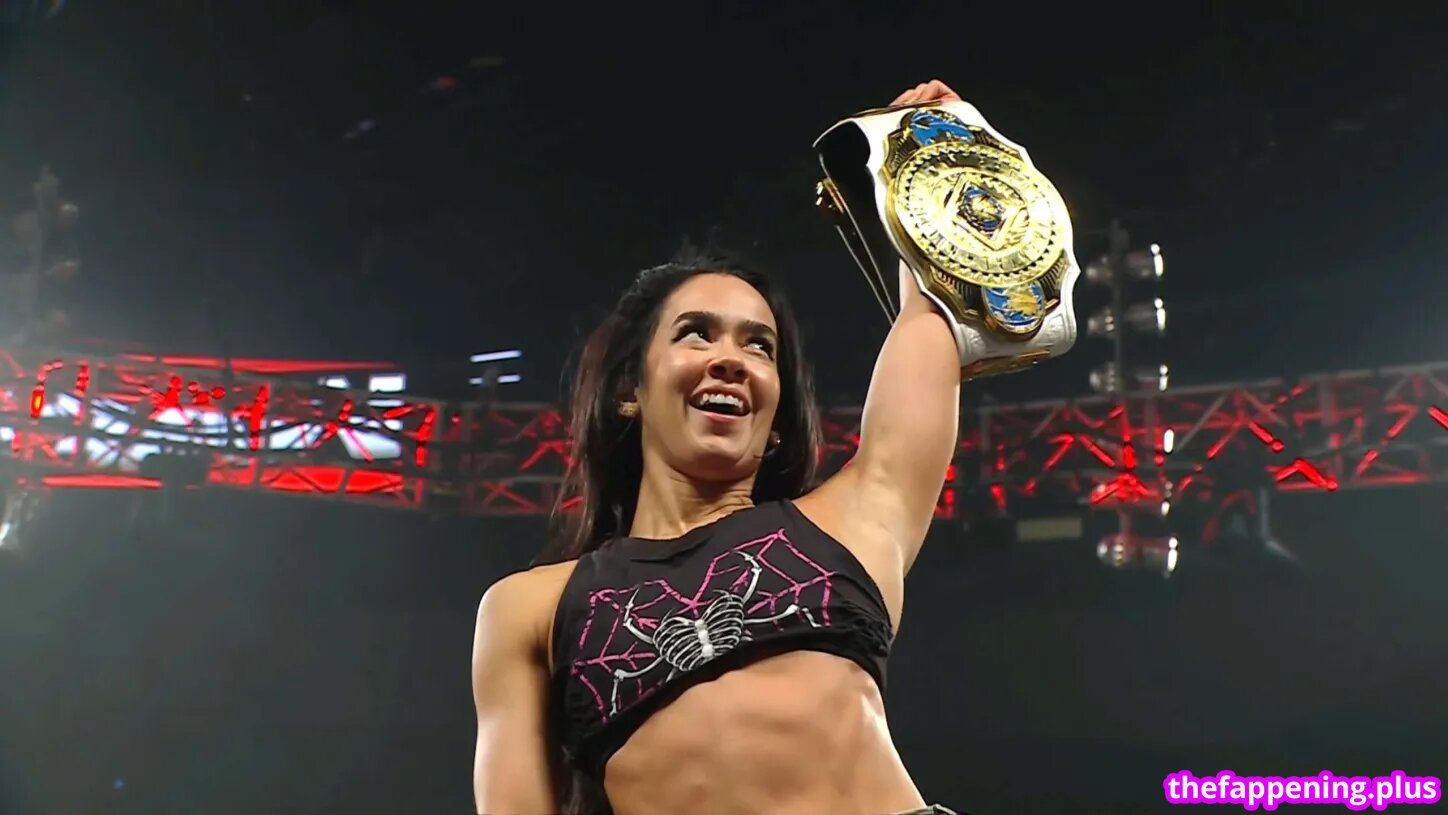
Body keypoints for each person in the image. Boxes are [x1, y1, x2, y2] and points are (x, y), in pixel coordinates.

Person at [473, 80, 968, 815]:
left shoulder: (851, 521)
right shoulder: (531, 608)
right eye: (696, 333)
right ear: (630, 389)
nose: (731, 359)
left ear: (776, 413)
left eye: (759, 345)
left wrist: (932, 156)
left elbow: (930, 322)